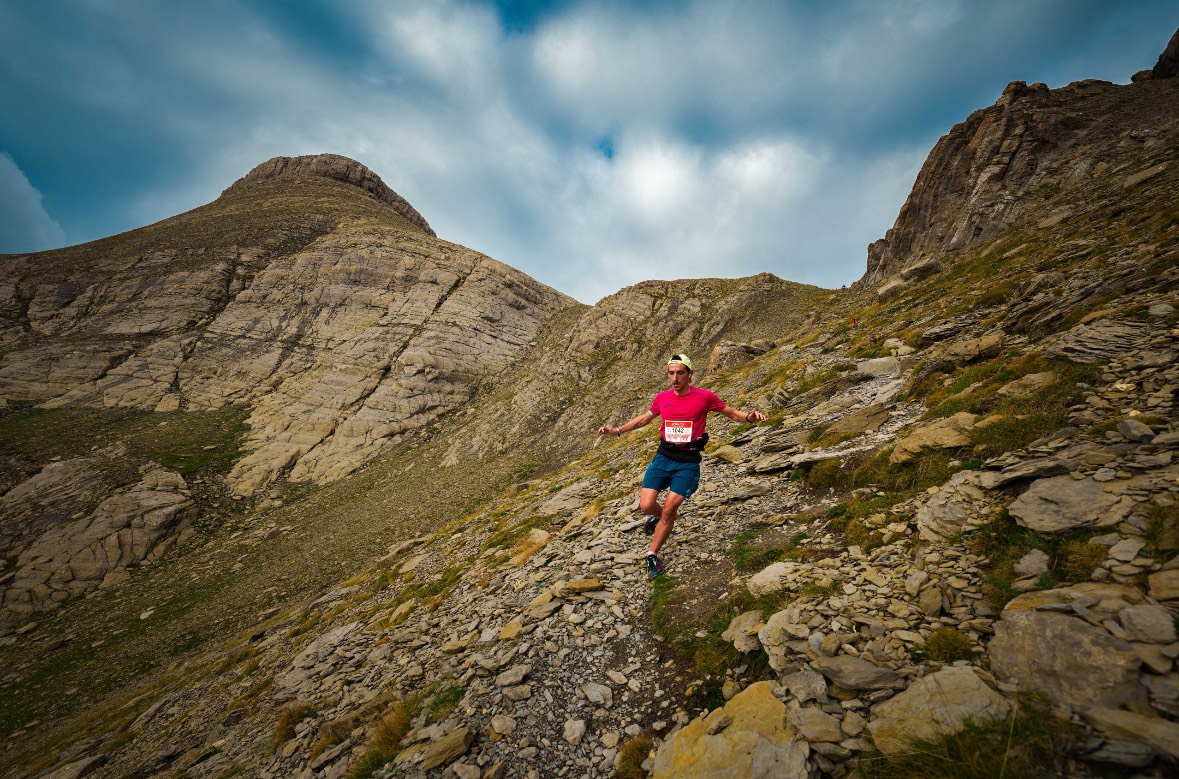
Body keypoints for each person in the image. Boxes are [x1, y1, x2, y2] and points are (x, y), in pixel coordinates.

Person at [597, 353, 766, 579]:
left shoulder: (705, 397)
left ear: (689, 374)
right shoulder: (662, 397)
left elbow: (732, 414)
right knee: (646, 506)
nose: (675, 378)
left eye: (680, 373)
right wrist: (617, 430)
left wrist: (750, 418)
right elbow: (645, 419)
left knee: (669, 510)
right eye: (671, 373)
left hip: (688, 462)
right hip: (663, 457)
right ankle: (660, 519)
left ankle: (652, 554)